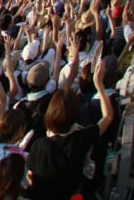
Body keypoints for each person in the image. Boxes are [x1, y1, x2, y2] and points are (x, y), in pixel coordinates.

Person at [26, 45, 114, 199]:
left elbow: (30, 177)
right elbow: (108, 117)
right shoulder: (80, 138)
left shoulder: (38, 145)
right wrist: (99, 85)